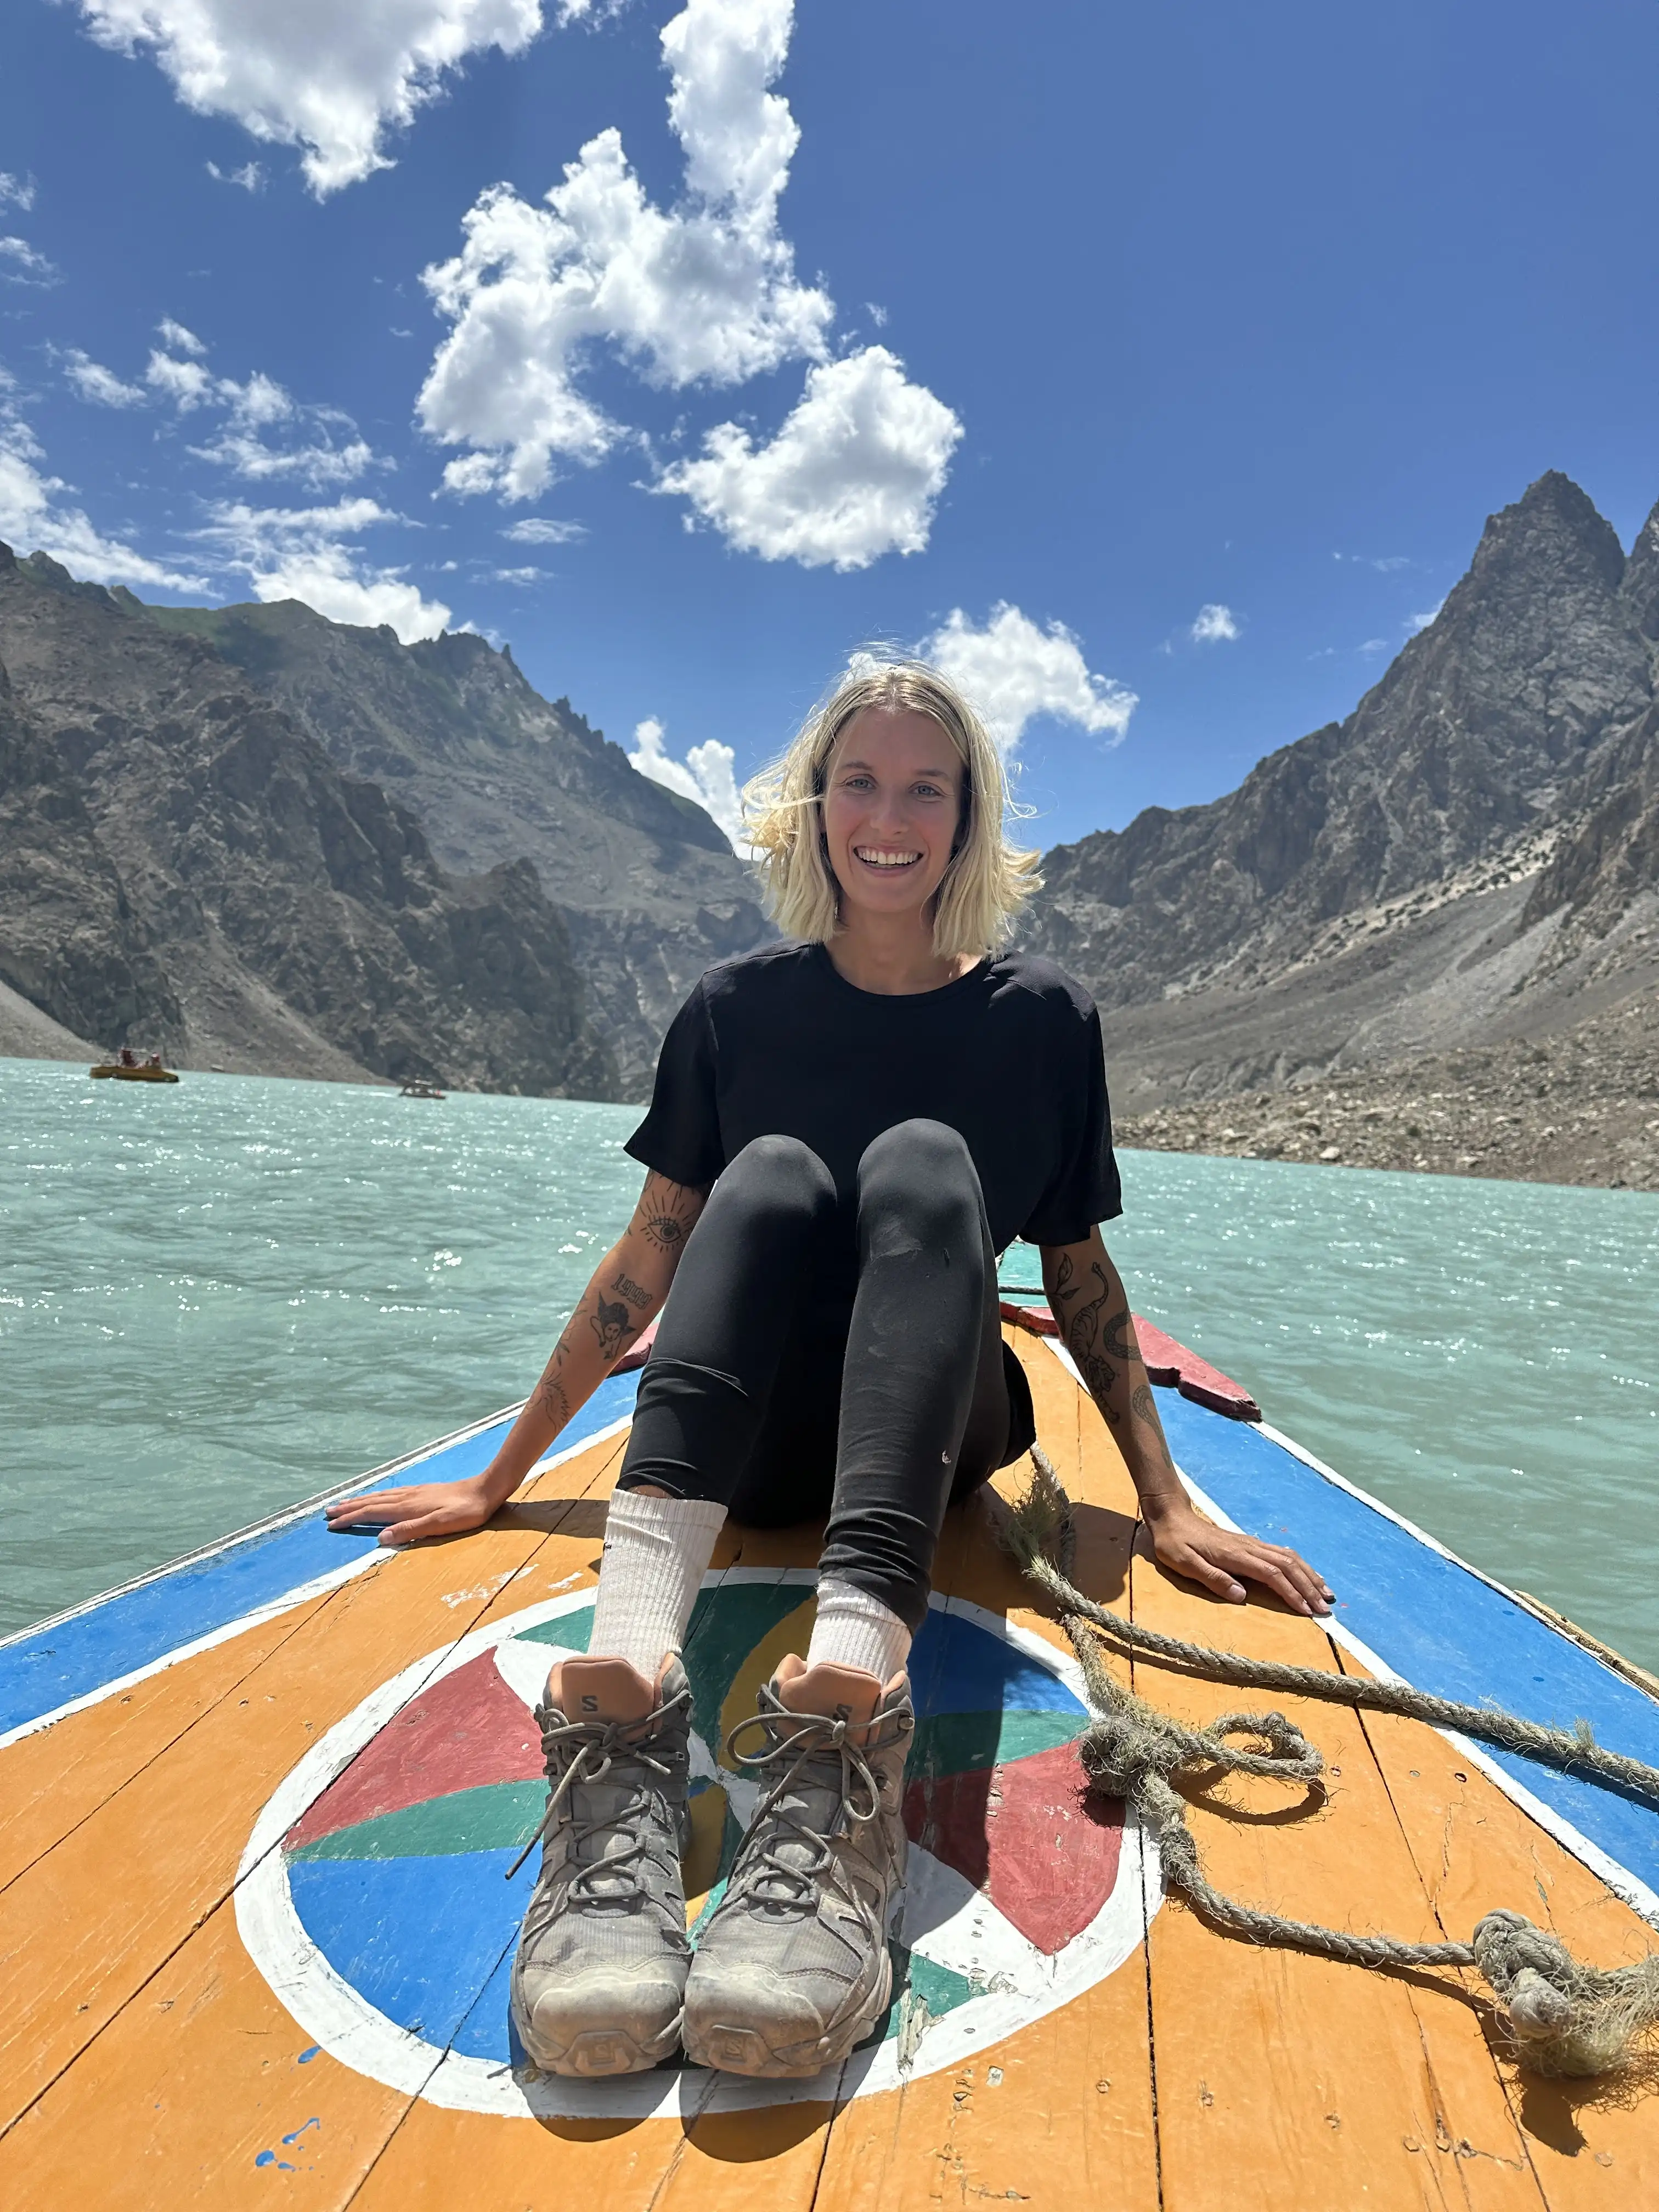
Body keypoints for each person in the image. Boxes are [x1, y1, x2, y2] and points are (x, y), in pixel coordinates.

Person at [329, 660, 1333, 2085]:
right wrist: (500, 1480)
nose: (889, 814)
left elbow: (1081, 1279)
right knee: (772, 1179)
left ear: (968, 820)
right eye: (860, 780)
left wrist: (1165, 1503)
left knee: (923, 1167)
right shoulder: (735, 1012)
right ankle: (621, 1684)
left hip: (943, 1417)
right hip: (762, 1431)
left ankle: (854, 1690)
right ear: (812, 809)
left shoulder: (1041, 1021)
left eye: (927, 786)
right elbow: (643, 1270)